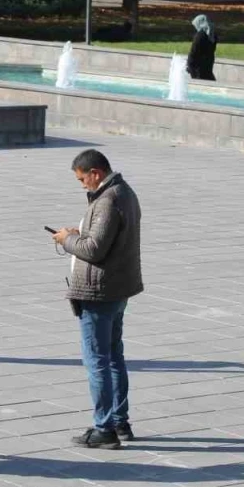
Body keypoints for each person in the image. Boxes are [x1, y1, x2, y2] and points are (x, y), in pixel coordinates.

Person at [51, 150, 142, 450]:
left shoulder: (107, 200)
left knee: (98, 361)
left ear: (96, 173)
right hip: (118, 287)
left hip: (100, 292)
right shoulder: (124, 192)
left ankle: (104, 429)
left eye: (82, 179)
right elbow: (107, 237)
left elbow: (94, 249)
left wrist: (66, 239)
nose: (82, 185)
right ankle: (120, 421)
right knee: (114, 356)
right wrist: (80, 232)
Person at [186, 14, 217, 81]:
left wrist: (189, 65)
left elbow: (193, 52)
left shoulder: (200, 35)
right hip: (208, 66)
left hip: (197, 68)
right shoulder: (213, 35)